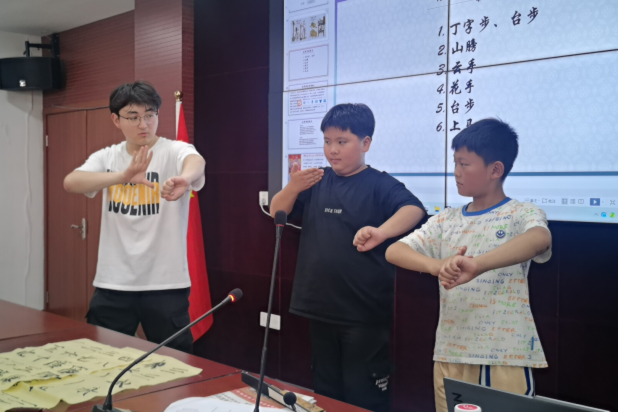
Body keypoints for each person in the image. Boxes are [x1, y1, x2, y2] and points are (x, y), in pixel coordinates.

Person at [385, 119, 552, 412]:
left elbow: (540, 238)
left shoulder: (521, 213)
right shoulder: (445, 219)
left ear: (495, 170)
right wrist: (437, 266)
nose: (456, 172)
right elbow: (394, 251)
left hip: (502, 355)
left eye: (464, 164)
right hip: (449, 352)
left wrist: (478, 265)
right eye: (455, 163)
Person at [270, 103, 426, 412]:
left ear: (365, 143)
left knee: (363, 397)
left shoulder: (379, 183)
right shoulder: (317, 179)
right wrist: (293, 186)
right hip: (320, 308)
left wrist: (381, 232)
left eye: (342, 142)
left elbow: (414, 209)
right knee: (326, 394)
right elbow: (277, 211)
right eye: (327, 141)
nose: (332, 150)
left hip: (363, 314)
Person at [63, 81, 206, 353]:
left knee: (175, 362)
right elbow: (71, 182)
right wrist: (123, 176)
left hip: (166, 283)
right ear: (116, 120)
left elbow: (196, 162)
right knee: (102, 359)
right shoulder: (107, 156)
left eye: (150, 115)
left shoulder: (173, 150)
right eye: (133, 117)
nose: (144, 124)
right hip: (113, 283)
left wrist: (185, 179)